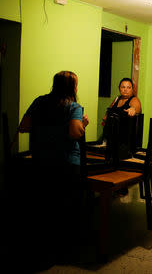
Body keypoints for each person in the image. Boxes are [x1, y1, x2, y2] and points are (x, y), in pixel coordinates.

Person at [18, 70, 89, 268]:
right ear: (72, 87)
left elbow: (24, 126)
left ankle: (43, 252)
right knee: (66, 208)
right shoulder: (73, 106)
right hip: (66, 163)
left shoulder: (39, 101)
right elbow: (75, 133)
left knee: (44, 207)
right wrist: (82, 123)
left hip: (41, 161)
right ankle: (64, 253)